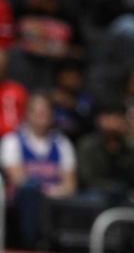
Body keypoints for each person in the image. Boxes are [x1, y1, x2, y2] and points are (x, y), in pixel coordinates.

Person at [0, 92, 77, 249]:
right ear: (27, 114)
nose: (43, 116)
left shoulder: (62, 143)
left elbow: (70, 185)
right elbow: (18, 179)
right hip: (20, 206)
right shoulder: (12, 141)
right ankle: (30, 246)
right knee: (29, 191)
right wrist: (49, 189)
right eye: (38, 111)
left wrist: (50, 191)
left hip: (55, 203)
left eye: (46, 111)